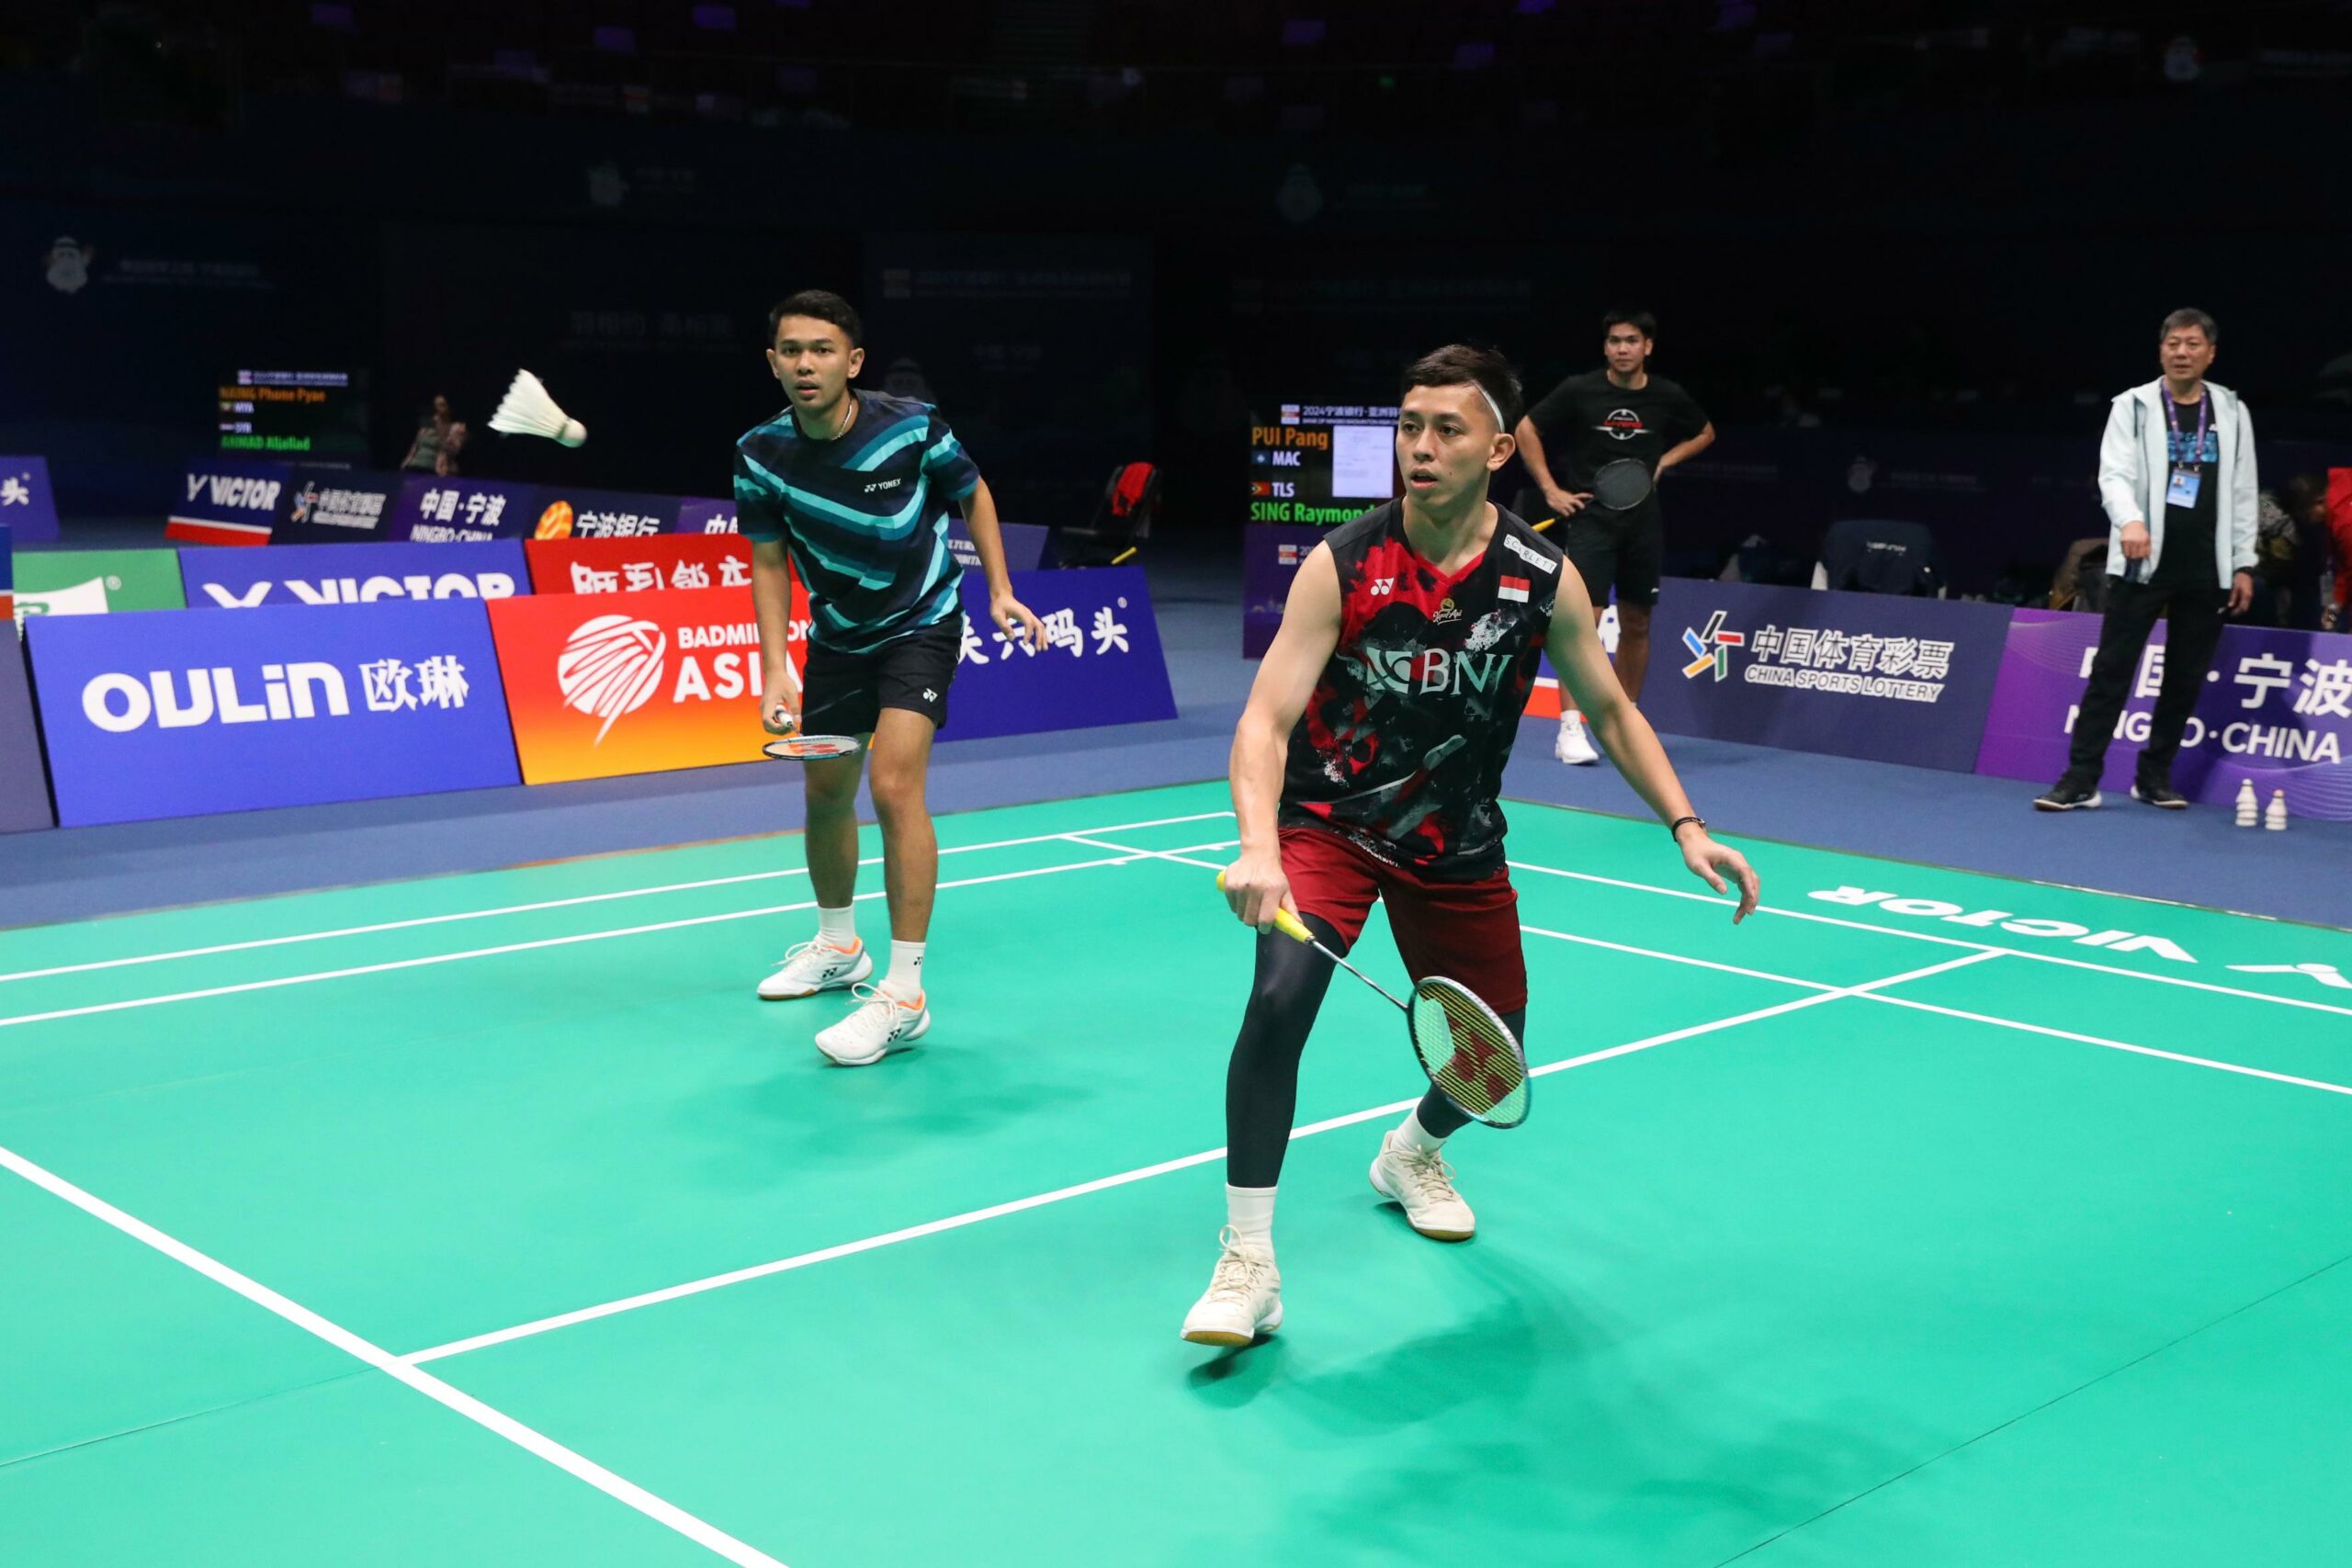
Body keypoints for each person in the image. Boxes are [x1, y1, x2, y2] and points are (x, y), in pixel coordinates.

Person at [1182, 344, 1759, 1348]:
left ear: (1497, 449)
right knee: (1278, 1000)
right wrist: (1256, 844)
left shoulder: (1541, 576)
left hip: (1456, 843)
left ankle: (1408, 1154)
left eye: (1446, 429)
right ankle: (1248, 1260)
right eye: (1408, 426)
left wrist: (1686, 824)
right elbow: (1264, 721)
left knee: (1494, 1064)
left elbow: (1612, 713)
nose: (1420, 446)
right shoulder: (1345, 562)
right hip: (1330, 826)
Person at [734, 289, 1046, 1065]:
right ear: (772, 361)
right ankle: (840, 944)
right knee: (826, 788)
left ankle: (905, 993)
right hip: (839, 635)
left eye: (823, 349)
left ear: (853, 361)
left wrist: (1000, 587)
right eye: (793, 350)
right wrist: (774, 667)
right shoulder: (759, 453)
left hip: (922, 621)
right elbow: (769, 563)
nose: (807, 364)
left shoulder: (909, 426)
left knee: (895, 784)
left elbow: (971, 492)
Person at [2036, 310, 2256, 812]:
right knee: (2112, 671)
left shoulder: (2231, 410)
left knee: (2184, 677)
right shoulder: (2132, 405)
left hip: (2207, 567)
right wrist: (2130, 520)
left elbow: (2244, 491)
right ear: (2161, 351)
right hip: (2143, 561)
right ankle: (2080, 779)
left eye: (2193, 344)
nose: (2182, 352)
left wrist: (2244, 562)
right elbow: (2112, 473)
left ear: (2210, 353)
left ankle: (2154, 777)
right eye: (2174, 343)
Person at [1515, 310, 1714, 764]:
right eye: (1614, 341)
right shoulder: (1580, 390)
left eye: (1631, 341)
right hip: (1592, 521)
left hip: (1643, 521)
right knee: (1580, 624)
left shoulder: (1666, 396)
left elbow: (1705, 432)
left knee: (1637, 623)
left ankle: (1626, 724)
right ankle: (1570, 729)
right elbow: (1527, 427)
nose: (1622, 348)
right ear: (1605, 347)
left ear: (1648, 347)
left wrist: (1664, 462)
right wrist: (1550, 490)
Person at [401, 394, 465, 476]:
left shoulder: (456, 428)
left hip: (434, 470)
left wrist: (440, 427)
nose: (438, 409)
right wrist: (406, 463)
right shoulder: (425, 429)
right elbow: (415, 447)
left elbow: (453, 451)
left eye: (442, 405)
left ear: (450, 407)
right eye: (436, 405)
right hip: (414, 466)